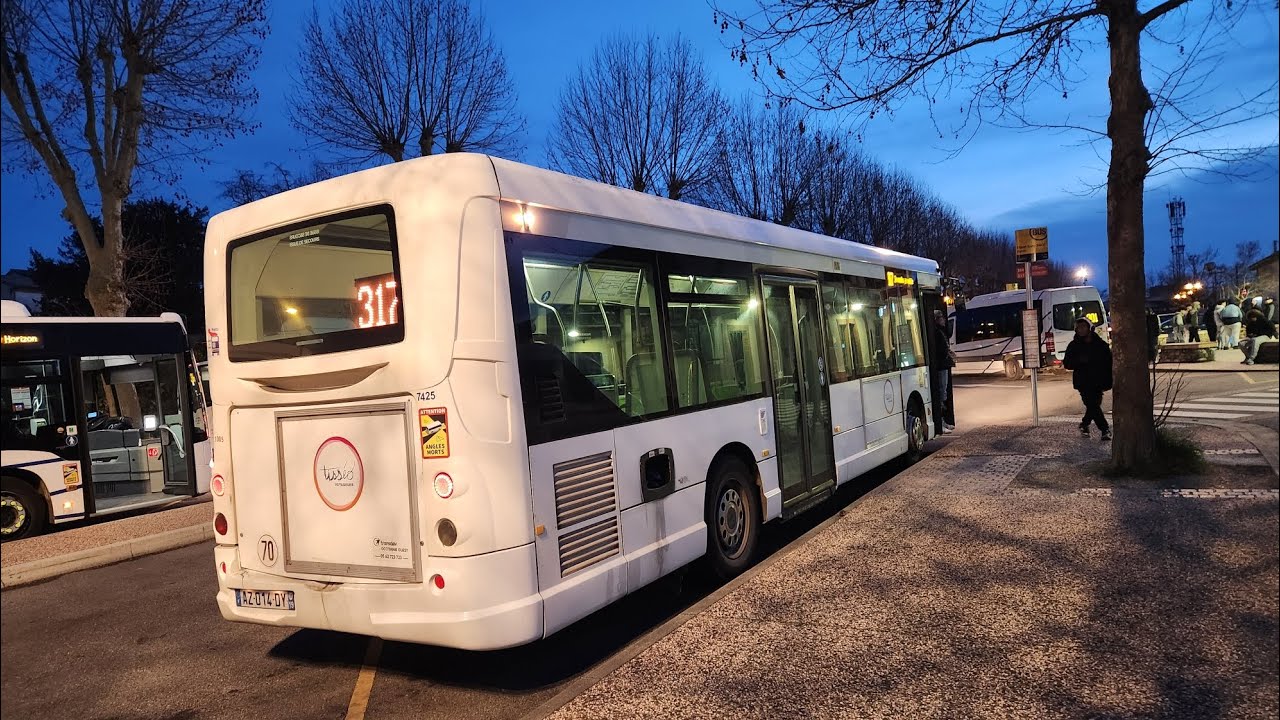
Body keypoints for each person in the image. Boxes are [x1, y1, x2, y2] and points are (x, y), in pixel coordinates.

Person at [1063, 317, 1113, 441]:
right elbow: (1067, 363)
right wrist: (1079, 361)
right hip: (1083, 381)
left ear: (1090, 328)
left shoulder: (1099, 344)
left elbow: (1108, 360)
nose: (1081, 330)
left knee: (1094, 405)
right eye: (1079, 328)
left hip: (1098, 380)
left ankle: (1084, 424)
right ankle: (1104, 429)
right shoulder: (1074, 345)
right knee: (1093, 405)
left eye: (1083, 327)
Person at [929, 310, 956, 434]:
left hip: (943, 366)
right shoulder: (936, 332)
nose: (944, 320)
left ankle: (943, 421)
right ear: (937, 319)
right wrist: (947, 354)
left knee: (943, 392)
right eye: (941, 318)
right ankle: (940, 421)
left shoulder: (940, 332)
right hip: (941, 367)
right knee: (941, 393)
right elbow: (941, 350)